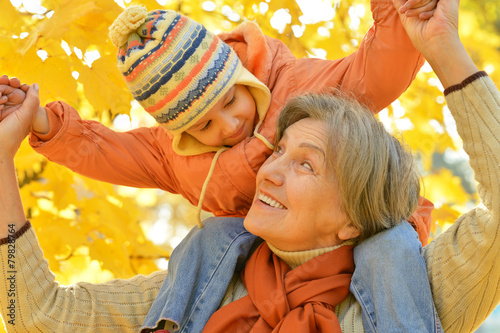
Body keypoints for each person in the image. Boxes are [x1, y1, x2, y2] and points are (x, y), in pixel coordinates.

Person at [0, 0, 499, 331]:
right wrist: (23, 141)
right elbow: (33, 315)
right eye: (279, 151)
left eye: (306, 165)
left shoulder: (415, 284)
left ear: (353, 211)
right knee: (213, 233)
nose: (268, 168)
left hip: (388, 241)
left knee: (390, 246)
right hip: (234, 243)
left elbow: (372, 70)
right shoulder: (207, 280)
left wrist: (439, 45)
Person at [0, 1, 436, 244]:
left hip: (368, 221)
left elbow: (376, 73)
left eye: (231, 100)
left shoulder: (302, 88)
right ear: (182, 132)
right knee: (208, 243)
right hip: (290, 251)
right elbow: (106, 152)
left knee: (389, 257)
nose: (228, 126)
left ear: (243, 76)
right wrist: (40, 120)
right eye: (204, 126)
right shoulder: (175, 160)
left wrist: (399, 14)